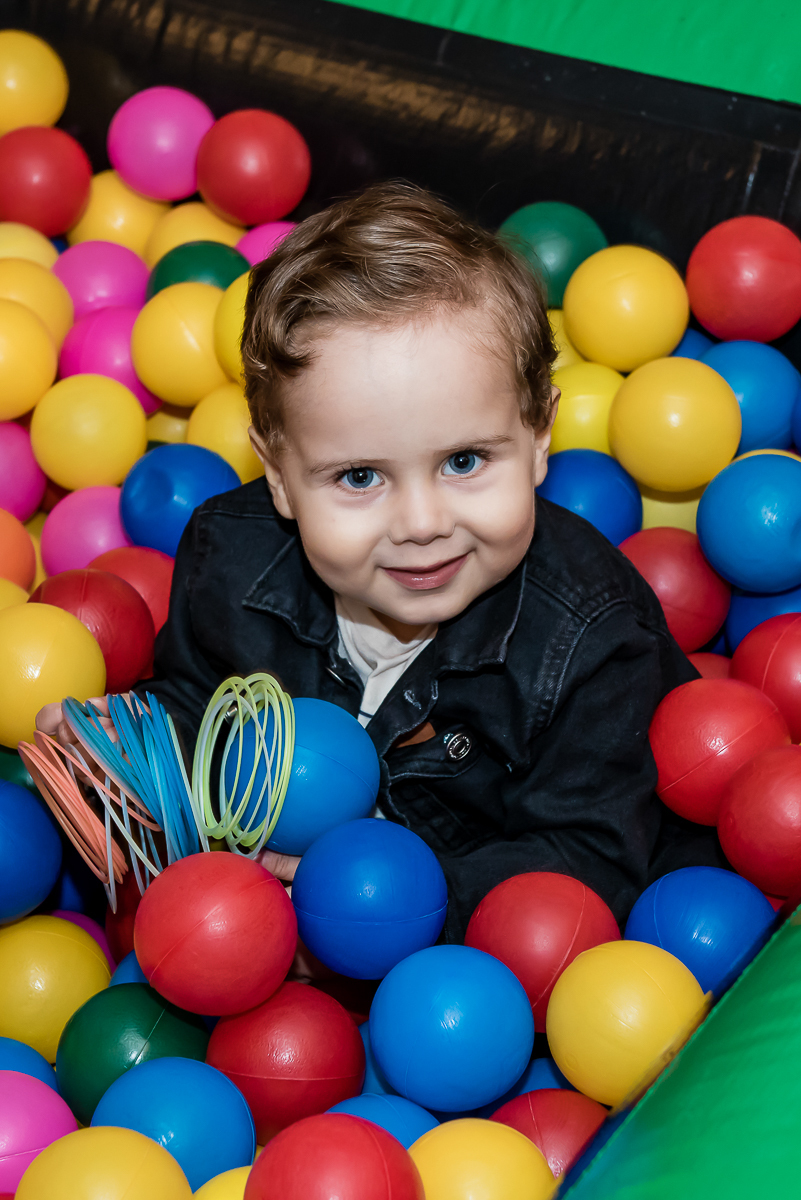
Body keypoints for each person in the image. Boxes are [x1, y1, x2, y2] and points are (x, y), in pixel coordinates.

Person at [38, 181, 725, 940]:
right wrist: (129, 747)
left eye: (464, 460)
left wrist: (383, 905)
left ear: (538, 436)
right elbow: (203, 705)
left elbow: (589, 857)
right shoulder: (228, 556)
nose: (422, 524)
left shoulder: (592, 635)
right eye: (358, 477)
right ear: (278, 474)